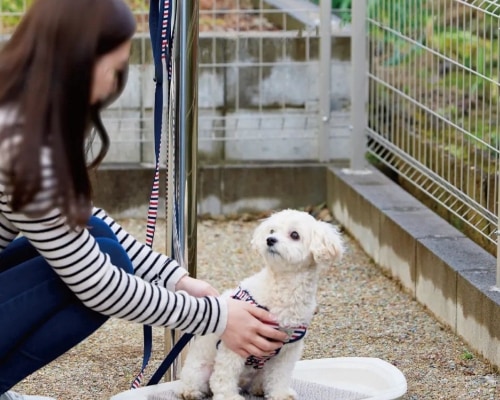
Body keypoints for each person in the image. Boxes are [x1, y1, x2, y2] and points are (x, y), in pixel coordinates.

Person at [0, 1, 287, 399]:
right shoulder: (22, 143)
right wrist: (219, 317)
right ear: (82, 60)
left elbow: (78, 220)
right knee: (104, 262)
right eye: (115, 67)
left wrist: (175, 278)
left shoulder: (15, 105)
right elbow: (95, 283)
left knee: (100, 237)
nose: (113, 84)